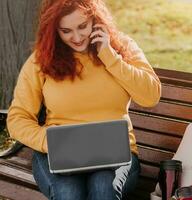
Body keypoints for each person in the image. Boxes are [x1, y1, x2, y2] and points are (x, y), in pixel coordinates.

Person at [7, 0, 161, 199]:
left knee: (103, 188)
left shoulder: (122, 46)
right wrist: (49, 141)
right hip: (58, 153)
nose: (77, 37)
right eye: (66, 31)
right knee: (69, 193)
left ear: (95, 21)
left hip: (116, 155)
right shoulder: (42, 60)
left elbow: (150, 96)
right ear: (54, 31)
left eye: (83, 27)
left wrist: (109, 55)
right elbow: (17, 118)